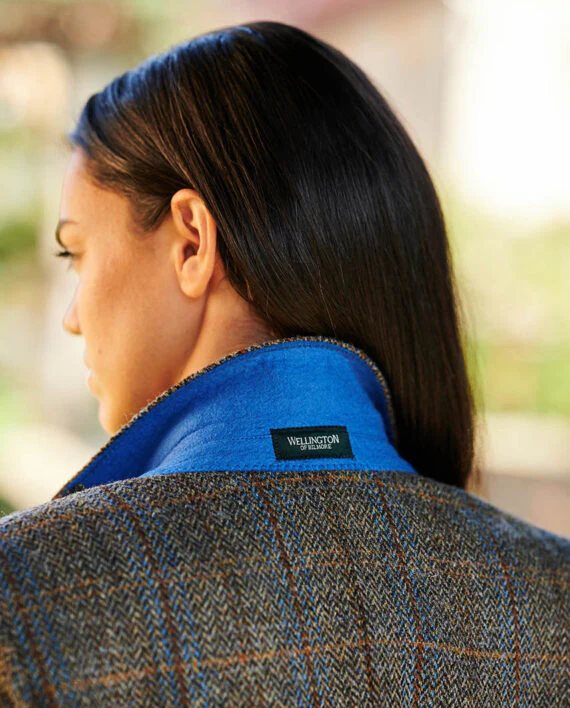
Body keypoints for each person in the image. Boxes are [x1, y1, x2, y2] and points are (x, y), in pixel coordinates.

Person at [0, 20, 567, 707]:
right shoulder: (552, 595)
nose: (72, 315)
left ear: (191, 244)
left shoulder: (25, 597)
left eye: (77, 253)